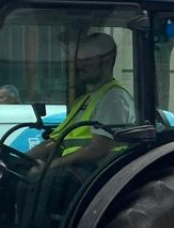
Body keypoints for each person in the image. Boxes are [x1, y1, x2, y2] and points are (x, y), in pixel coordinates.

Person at [27, 32, 134, 177]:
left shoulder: (114, 98)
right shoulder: (83, 100)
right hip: (77, 171)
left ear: (107, 62)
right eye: (79, 59)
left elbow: (99, 149)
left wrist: (53, 165)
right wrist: (22, 159)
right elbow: (54, 142)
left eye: (88, 59)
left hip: (96, 176)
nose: (80, 65)